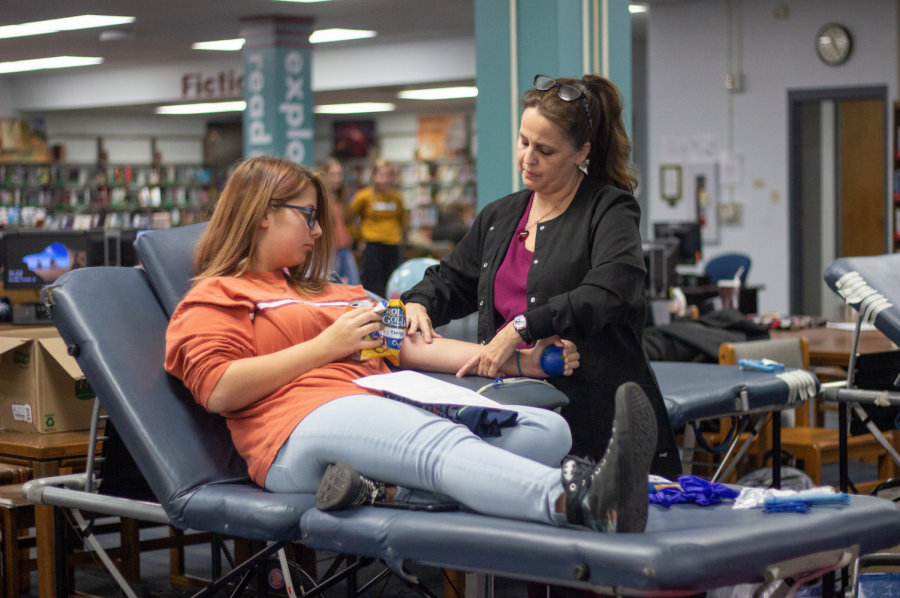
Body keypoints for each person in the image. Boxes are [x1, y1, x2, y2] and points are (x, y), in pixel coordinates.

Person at [165, 156, 659, 534]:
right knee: (439, 444)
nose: (318, 231)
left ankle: (391, 492)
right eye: (308, 217)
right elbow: (219, 390)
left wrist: (511, 361)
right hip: (293, 429)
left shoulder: (336, 291)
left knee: (547, 429)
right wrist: (324, 347)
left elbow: (409, 346)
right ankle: (577, 502)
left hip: (376, 404)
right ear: (262, 215)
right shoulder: (216, 295)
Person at [402, 74, 682, 480]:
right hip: (514, 410)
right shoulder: (500, 216)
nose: (527, 159)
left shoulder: (609, 209)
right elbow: (454, 279)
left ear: (580, 152)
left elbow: (609, 292)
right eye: (523, 141)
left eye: (545, 150)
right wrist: (418, 301)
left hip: (593, 417)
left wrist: (522, 326)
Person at [348, 159, 406, 299]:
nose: (384, 180)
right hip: (372, 245)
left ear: (392, 177)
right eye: (380, 175)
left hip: (393, 245)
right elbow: (349, 218)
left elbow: (403, 220)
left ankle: (392, 318)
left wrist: (399, 236)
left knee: (393, 285)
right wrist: (359, 238)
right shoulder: (364, 196)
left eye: (387, 175)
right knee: (372, 286)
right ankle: (373, 318)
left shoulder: (397, 197)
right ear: (373, 176)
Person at [321, 157, 360, 285]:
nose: (337, 178)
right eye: (333, 175)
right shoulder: (320, 199)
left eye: (339, 175)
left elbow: (348, 224)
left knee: (354, 286)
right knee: (332, 287)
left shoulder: (343, 199)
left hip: (346, 249)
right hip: (329, 251)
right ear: (325, 175)